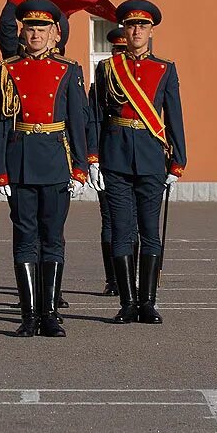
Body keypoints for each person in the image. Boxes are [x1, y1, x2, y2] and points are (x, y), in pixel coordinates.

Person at [0, 0, 88, 338]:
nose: (35, 33)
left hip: (56, 160)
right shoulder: (7, 69)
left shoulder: (68, 69)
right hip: (20, 162)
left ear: (54, 34)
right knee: (24, 239)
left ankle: (49, 313)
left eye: (42, 28)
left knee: (53, 239)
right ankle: (29, 315)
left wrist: (81, 166)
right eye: (30, 27)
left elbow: (79, 121)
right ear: (22, 32)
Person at [93, 0, 186, 324]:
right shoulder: (107, 68)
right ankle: (127, 301)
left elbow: (173, 115)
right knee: (121, 230)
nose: (136, 31)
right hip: (116, 154)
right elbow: (96, 116)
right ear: (123, 29)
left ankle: (148, 302)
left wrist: (178, 160)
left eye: (142, 26)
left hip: (150, 156)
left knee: (149, 231)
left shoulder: (164, 68)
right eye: (131, 25)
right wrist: (94, 158)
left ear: (150, 31)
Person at [88, 27, 139, 297]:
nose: (120, 54)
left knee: (137, 222)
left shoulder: (143, 79)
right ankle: (114, 278)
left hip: (140, 159)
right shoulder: (102, 82)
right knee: (111, 222)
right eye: (116, 50)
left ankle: (134, 276)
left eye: (123, 49)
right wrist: (93, 157)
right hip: (111, 157)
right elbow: (94, 121)